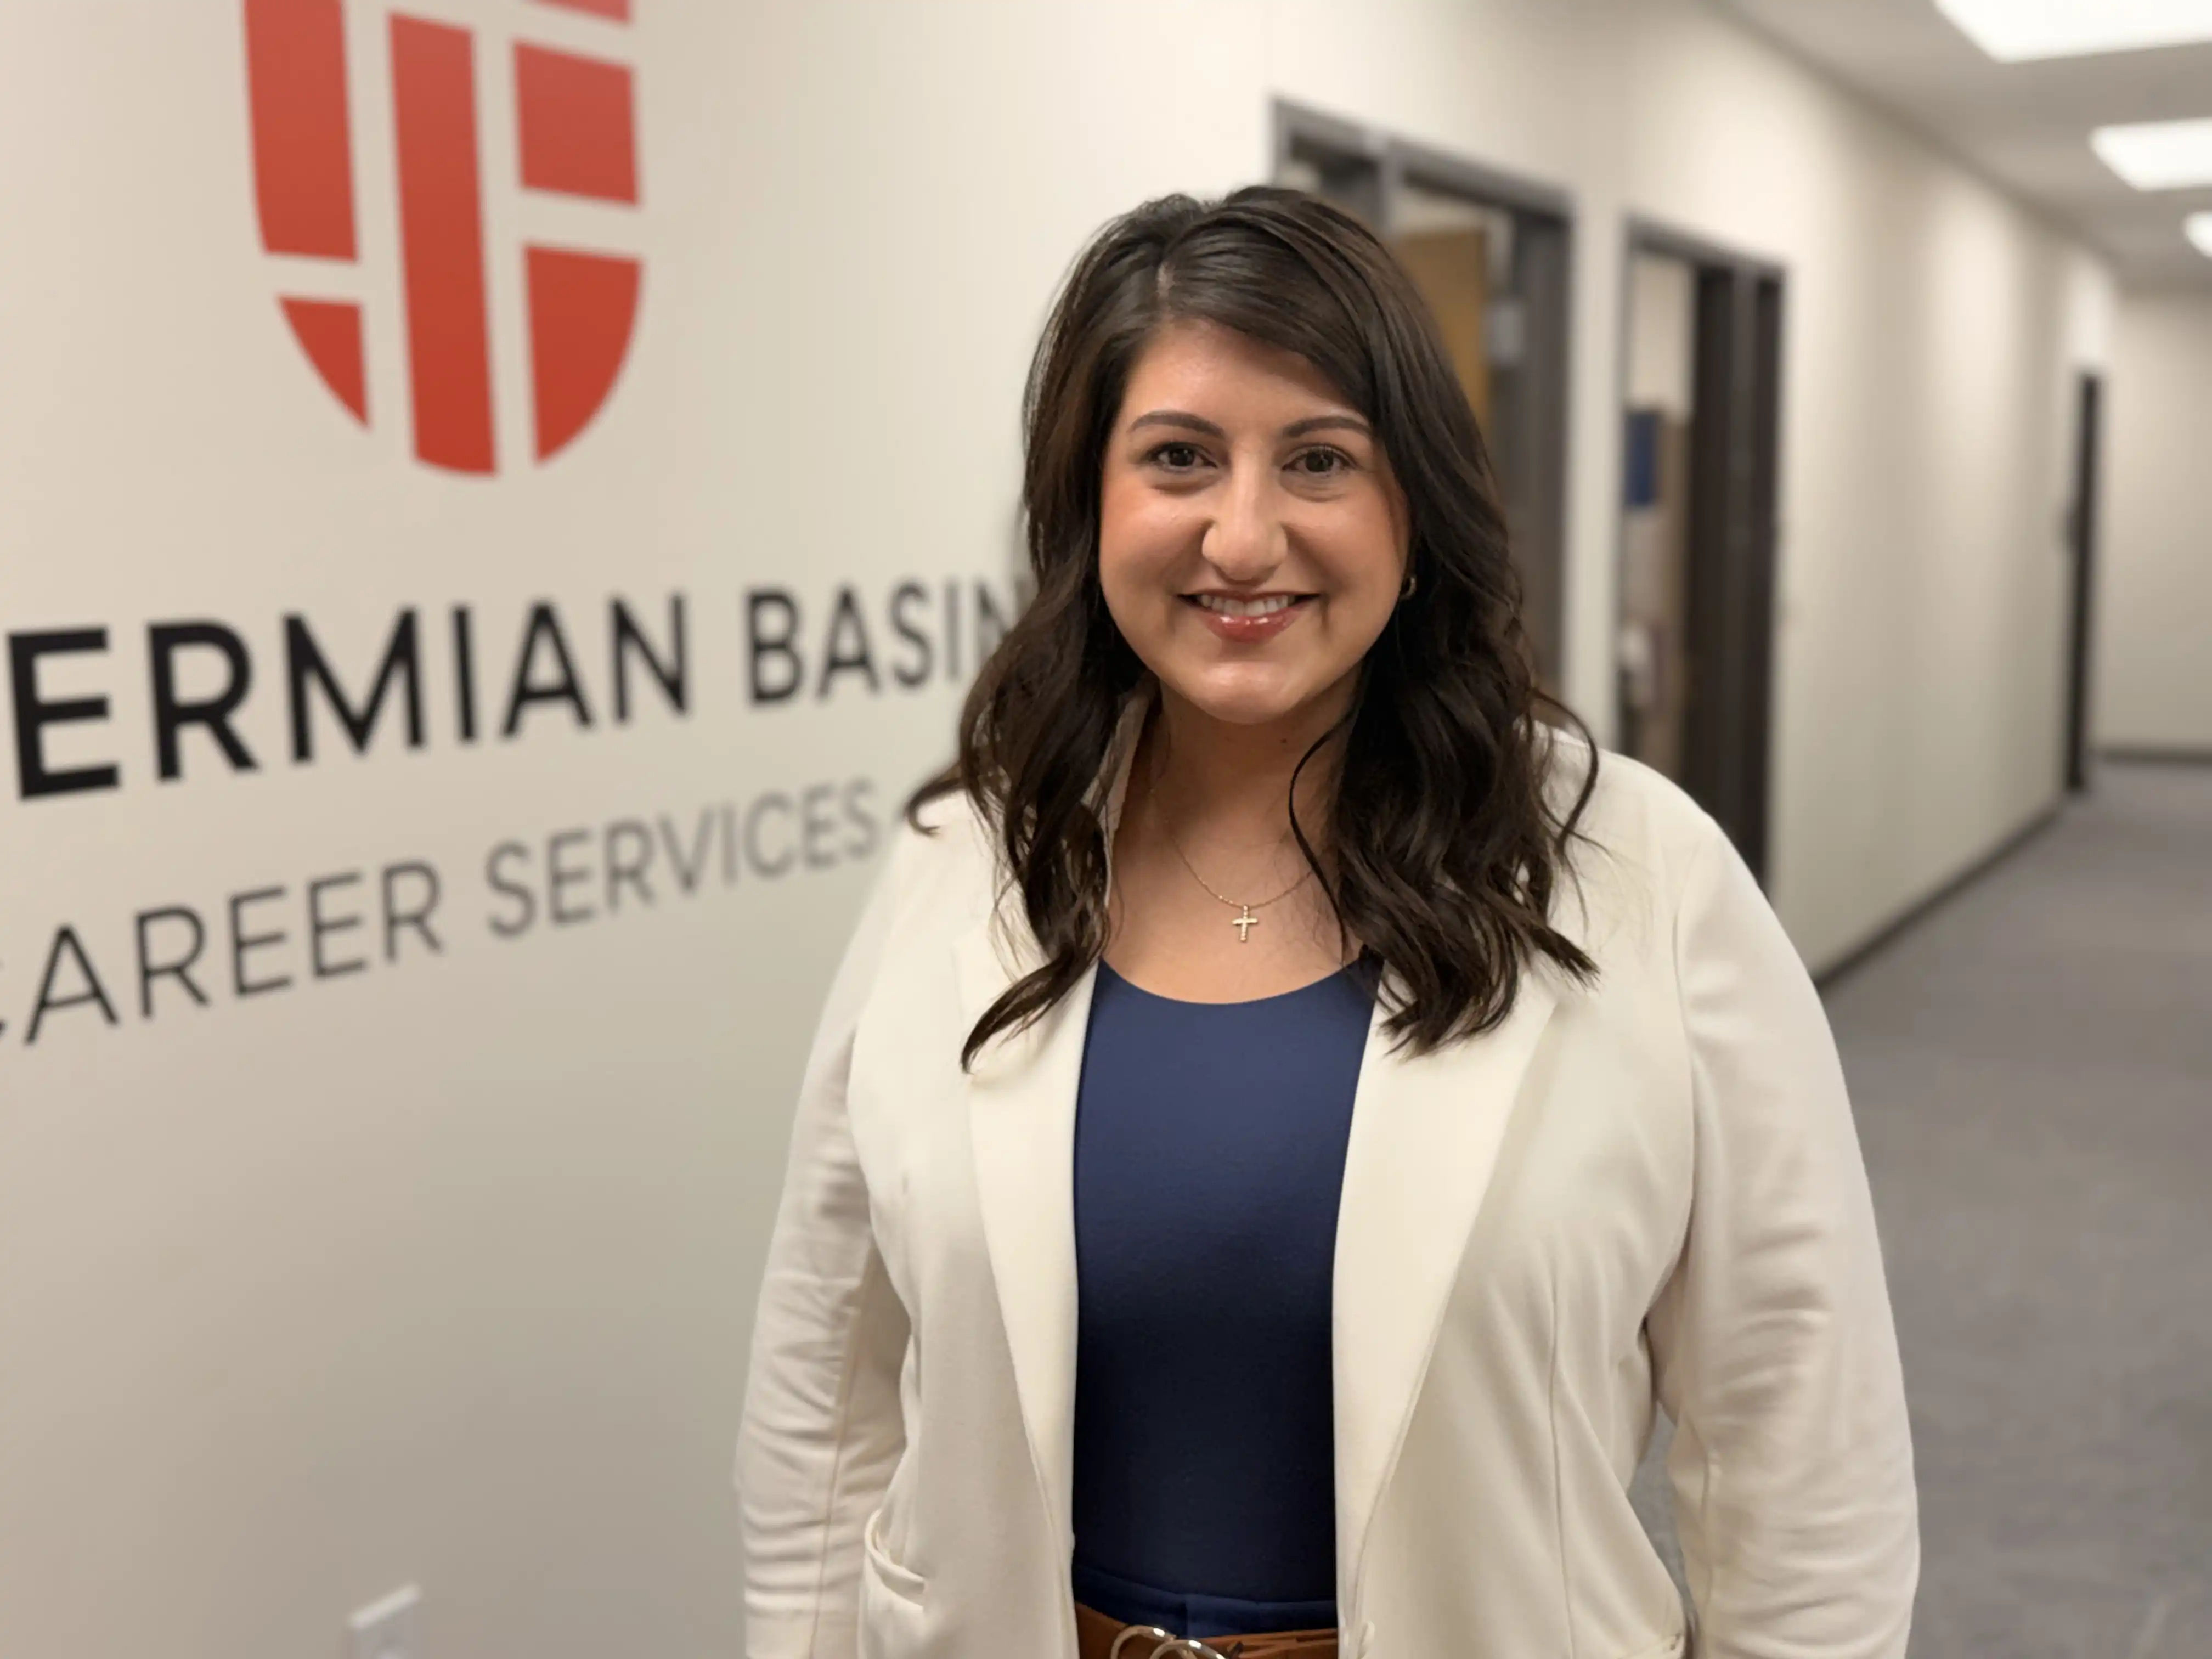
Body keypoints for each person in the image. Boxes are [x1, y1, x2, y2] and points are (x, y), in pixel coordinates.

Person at [735, 188, 1917, 1659]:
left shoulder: (1638, 872)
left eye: (1320, 460)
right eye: (1178, 458)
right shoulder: (965, 859)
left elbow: (1798, 1435)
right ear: (1090, 507)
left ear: (1414, 514)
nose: (1243, 537)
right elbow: (828, 1379)